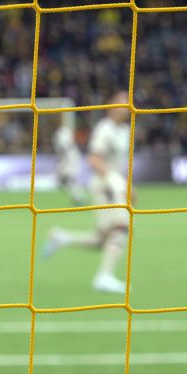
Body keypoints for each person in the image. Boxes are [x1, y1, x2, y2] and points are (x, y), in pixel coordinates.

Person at [42, 92, 133, 294]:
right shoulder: (104, 129)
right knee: (121, 228)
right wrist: (115, 182)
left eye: (128, 103)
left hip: (116, 185)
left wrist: (126, 185)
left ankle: (62, 238)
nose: (125, 107)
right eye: (121, 103)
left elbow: (118, 163)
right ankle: (104, 277)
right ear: (111, 106)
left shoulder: (125, 130)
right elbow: (94, 159)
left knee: (102, 240)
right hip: (105, 186)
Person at [52, 115, 86, 206]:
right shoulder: (58, 132)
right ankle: (77, 197)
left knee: (70, 179)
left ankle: (78, 198)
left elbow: (66, 146)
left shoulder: (65, 132)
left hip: (70, 158)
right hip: (65, 158)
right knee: (63, 181)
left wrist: (63, 159)